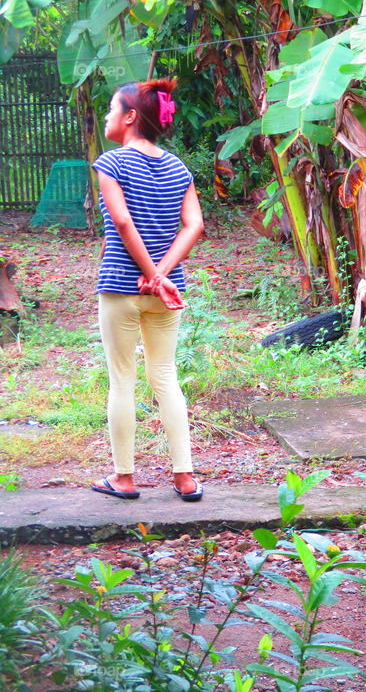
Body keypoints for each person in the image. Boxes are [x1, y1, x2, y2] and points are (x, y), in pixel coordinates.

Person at [90, 77, 205, 502]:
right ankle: (185, 477)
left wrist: (148, 273)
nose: (107, 115)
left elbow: (122, 223)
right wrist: (161, 276)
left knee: (122, 381)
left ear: (131, 117)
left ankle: (123, 478)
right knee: (165, 377)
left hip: (121, 285)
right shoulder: (179, 167)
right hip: (167, 293)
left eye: (111, 109)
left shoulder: (111, 163)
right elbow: (194, 226)